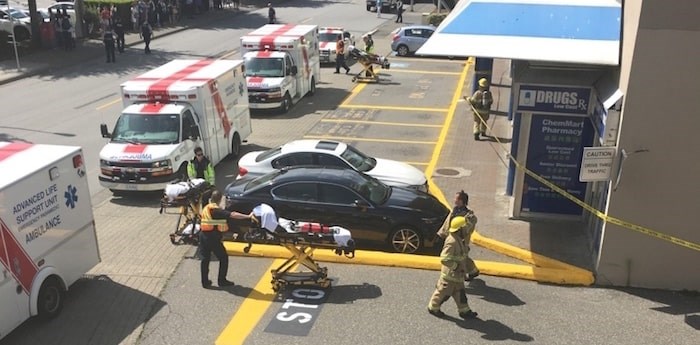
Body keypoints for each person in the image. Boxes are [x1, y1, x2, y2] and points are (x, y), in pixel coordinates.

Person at [199, 190, 254, 288]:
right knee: (223, 258)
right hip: (213, 238)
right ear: (220, 199)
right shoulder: (216, 210)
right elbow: (233, 215)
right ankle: (222, 281)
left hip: (203, 236)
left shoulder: (206, 207)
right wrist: (248, 216)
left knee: (205, 259)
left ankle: (205, 282)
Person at [428, 216, 479, 319]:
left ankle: (464, 311)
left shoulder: (460, 238)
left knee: (460, 293)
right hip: (450, 276)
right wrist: (456, 267)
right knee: (442, 293)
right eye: (465, 227)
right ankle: (433, 307)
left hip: (458, 274)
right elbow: (444, 258)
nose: (467, 229)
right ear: (460, 229)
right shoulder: (452, 242)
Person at [436, 190, 480, 280]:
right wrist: (442, 233)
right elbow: (447, 222)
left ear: (462, 201)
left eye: (456, 199)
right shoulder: (454, 211)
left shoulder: (468, 215)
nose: (454, 200)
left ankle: (463, 274)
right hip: (452, 236)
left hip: (462, 240)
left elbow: (470, 227)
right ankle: (473, 271)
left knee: (461, 257)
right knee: (461, 257)